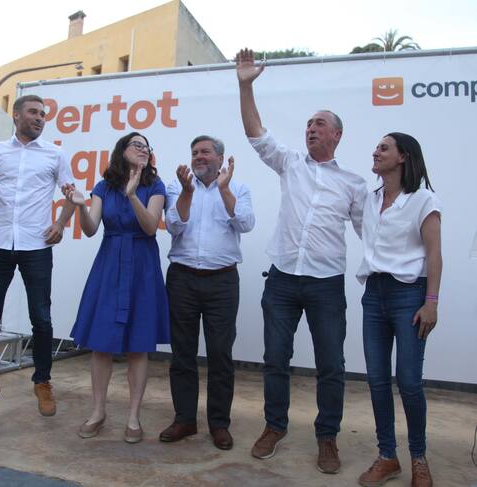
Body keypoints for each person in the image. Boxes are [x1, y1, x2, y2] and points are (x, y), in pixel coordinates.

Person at [236, 48, 367, 473]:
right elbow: (255, 133)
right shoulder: (290, 163)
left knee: (331, 365)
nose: (311, 128)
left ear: (337, 135)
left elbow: (371, 234)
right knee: (276, 358)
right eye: (309, 124)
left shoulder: (353, 184)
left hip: (326, 284)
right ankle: (274, 426)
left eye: (320, 124)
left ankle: (327, 437)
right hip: (282, 280)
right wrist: (245, 85)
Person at [0, 94, 75, 420]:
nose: (40, 118)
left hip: (36, 245)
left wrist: (61, 223)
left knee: (41, 317)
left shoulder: (55, 154)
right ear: (16, 116)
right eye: (33, 112)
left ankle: (42, 381)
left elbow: (72, 194)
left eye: (43, 114)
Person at [62, 132, 169, 444]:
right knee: (101, 342)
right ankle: (98, 411)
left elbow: (150, 226)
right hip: (109, 264)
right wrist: (80, 207)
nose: (143, 149)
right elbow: (91, 228)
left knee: (139, 344)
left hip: (142, 265)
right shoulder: (104, 186)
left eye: (147, 146)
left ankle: (133, 415)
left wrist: (133, 195)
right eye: (137, 144)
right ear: (122, 151)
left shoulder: (155, 185)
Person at [159, 135, 255, 450]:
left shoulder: (238, 188)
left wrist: (225, 190)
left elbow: (246, 223)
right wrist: (187, 192)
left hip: (222, 282)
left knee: (220, 354)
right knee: (182, 353)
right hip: (183, 279)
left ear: (220, 158)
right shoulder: (177, 187)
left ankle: (219, 424)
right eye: (194, 152)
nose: (199, 156)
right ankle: (185, 419)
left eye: (205, 152)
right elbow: (174, 225)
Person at [357, 133, 441, 487]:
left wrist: (431, 302)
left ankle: (418, 458)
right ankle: (387, 456)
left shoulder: (423, 199)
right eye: (377, 147)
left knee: (408, 380)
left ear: (403, 157)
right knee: (377, 381)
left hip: (409, 295)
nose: (375, 152)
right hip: (374, 294)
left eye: (384, 148)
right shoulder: (371, 198)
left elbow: (434, 254)